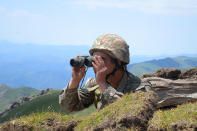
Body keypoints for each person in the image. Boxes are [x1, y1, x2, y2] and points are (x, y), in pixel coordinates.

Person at [59, 34, 151, 112]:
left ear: (119, 62)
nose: (97, 64)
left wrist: (103, 84)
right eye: (94, 60)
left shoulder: (140, 88)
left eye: (102, 59)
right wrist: (74, 81)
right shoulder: (94, 84)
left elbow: (126, 113)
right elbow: (69, 106)